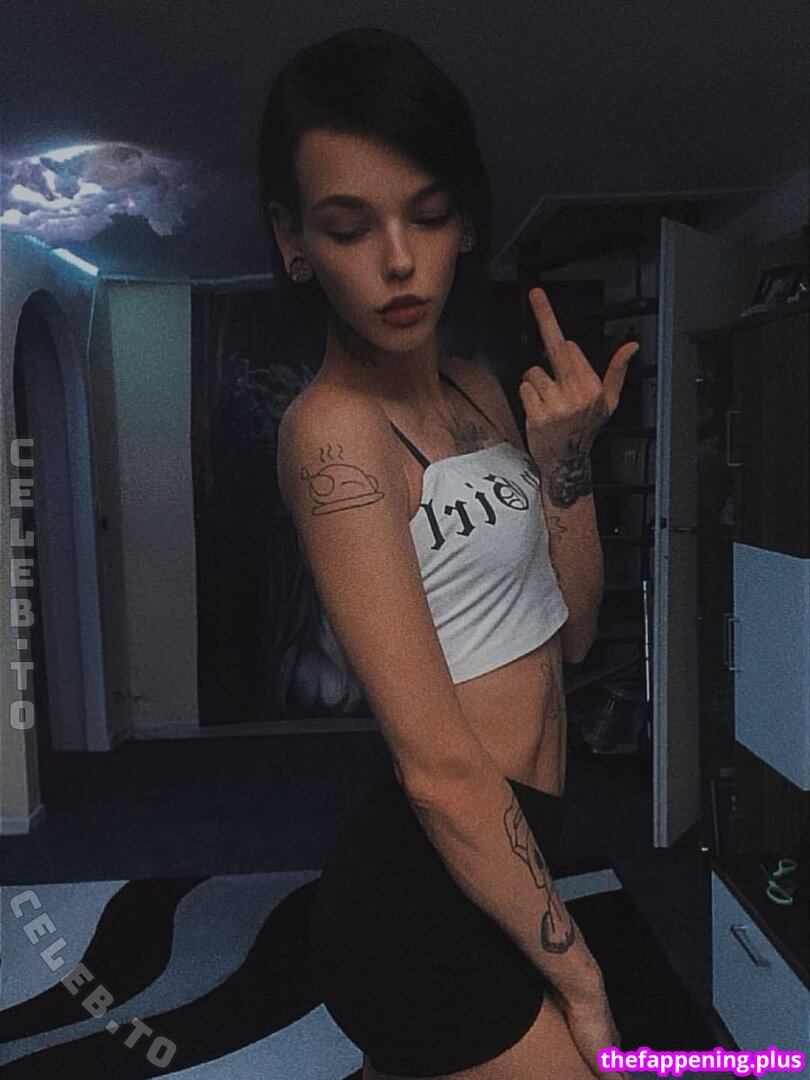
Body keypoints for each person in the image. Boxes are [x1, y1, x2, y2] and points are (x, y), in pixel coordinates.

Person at [260, 26, 638, 1080]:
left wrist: (564, 463)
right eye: (348, 226)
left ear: (465, 218)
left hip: (514, 856)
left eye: (426, 214)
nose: (396, 259)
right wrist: (583, 978)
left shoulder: (477, 387)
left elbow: (573, 634)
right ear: (294, 240)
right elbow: (435, 768)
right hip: (423, 895)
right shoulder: (333, 433)